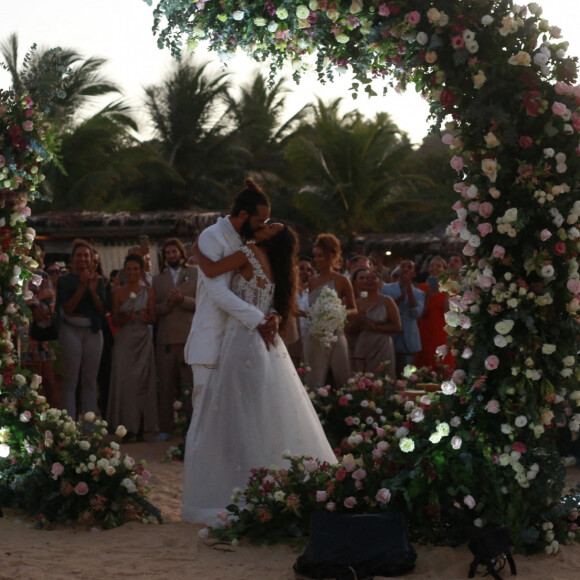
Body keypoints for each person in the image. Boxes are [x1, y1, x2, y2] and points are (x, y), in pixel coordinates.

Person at [182, 180, 335, 525]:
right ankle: (264, 486)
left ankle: (238, 490)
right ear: (245, 215)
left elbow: (210, 274)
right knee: (261, 415)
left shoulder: (248, 252)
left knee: (233, 419)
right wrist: (270, 315)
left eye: (270, 225)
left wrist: (197, 252)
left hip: (241, 340)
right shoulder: (273, 265)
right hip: (253, 342)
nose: (264, 226)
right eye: (263, 220)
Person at [107, 254, 158, 440]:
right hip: (125, 339)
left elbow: (154, 317)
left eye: (135, 269)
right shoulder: (118, 292)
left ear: (141, 271)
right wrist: (125, 317)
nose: (132, 272)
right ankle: (125, 427)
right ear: (124, 271)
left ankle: (144, 426)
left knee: (143, 381)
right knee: (125, 382)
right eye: (129, 269)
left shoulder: (149, 292)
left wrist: (146, 318)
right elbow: (114, 318)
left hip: (143, 339)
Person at [152, 238, 198, 439]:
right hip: (166, 339)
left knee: (189, 385)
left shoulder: (195, 274)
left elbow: (203, 303)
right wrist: (168, 305)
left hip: (189, 337)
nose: (171, 255)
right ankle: (165, 428)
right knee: (166, 385)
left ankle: (192, 427)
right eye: (168, 252)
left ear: (181, 253)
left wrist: (182, 300)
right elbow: (153, 309)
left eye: (174, 251)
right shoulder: (157, 280)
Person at [57, 239, 106, 419]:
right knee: (71, 379)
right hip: (71, 329)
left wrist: (92, 291)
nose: (83, 259)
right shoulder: (64, 281)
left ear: (92, 259)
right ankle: (68, 424)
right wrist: (82, 287)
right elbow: (67, 308)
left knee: (90, 380)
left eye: (86, 255)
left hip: (92, 330)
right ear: (72, 259)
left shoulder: (99, 280)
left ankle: (90, 426)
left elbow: (102, 310)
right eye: (79, 255)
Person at [303, 234, 357, 389]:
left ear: (332, 255)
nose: (317, 260)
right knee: (313, 380)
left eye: (320, 256)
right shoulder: (312, 281)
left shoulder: (341, 280)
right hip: (315, 334)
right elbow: (312, 309)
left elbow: (354, 309)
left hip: (335, 333)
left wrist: (338, 312)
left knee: (342, 378)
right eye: (315, 256)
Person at [349, 269, 401, 379]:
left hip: (382, 345)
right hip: (363, 345)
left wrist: (376, 327)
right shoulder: (358, 303)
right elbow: (348, 329)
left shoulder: (387, 301)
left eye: (373, 278)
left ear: (380, 283)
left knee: (383, 378)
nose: (369, 280)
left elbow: (397, 327)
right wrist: (358, 319)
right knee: (362, 377)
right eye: (366, 278)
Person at [380, 260, 425, 377]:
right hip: (390, 338)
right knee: (387, 375)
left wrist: (409, 290)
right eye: (402, 266)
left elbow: (416, 313)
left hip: (409, 340)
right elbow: (384, 310)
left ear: (414, 273)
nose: (405, 269)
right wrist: (401, 297)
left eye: (409, 267)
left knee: (407, 377)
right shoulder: (386, 289)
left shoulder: (419, 293)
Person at [414, 256, 454, 371]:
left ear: (444, 269)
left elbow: (448, 312)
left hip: (443, 331)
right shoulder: (422, 288)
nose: (434, 268)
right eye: (432, 265)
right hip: (426, 330)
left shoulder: (451, 289)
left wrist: (447, 289)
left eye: (438, 265)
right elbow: (421, 314)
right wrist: (429, 296)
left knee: (443, 364)